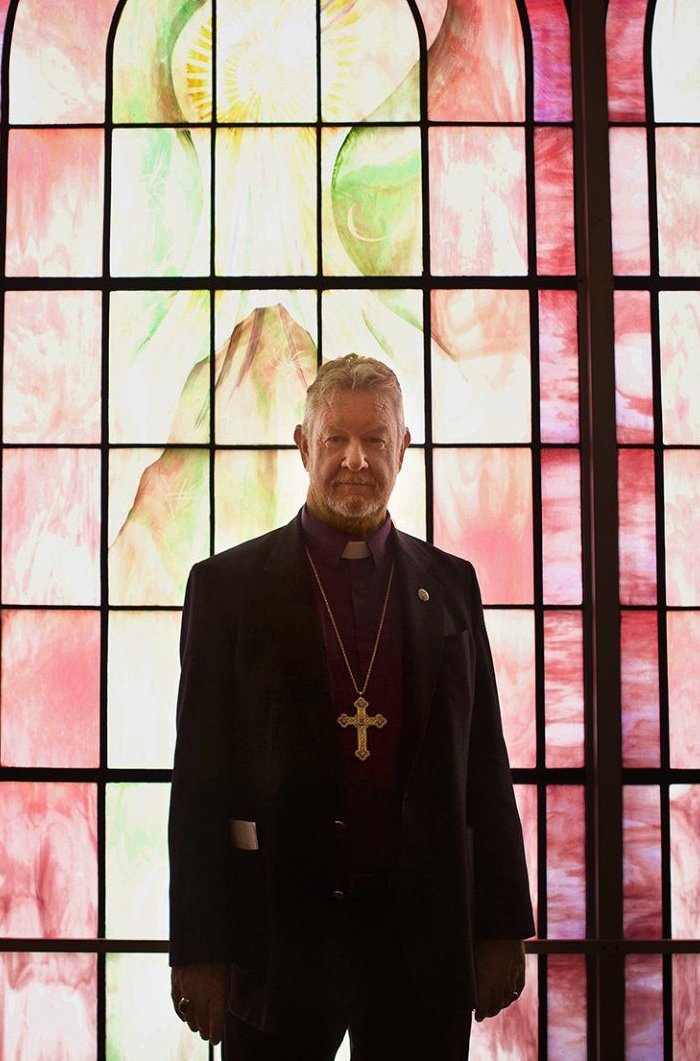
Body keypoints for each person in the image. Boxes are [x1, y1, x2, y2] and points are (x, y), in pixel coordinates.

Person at [167, 354, 531, 1058]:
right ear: (304, 445)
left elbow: (484, 761)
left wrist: (500, 926)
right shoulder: (228, 589)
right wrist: (198, 950)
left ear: (404, 447)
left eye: (375, 439)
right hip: (276, 939)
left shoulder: (451, 587)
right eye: (335, 440)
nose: (355, 460)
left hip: (419, 939)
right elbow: (200, 782)